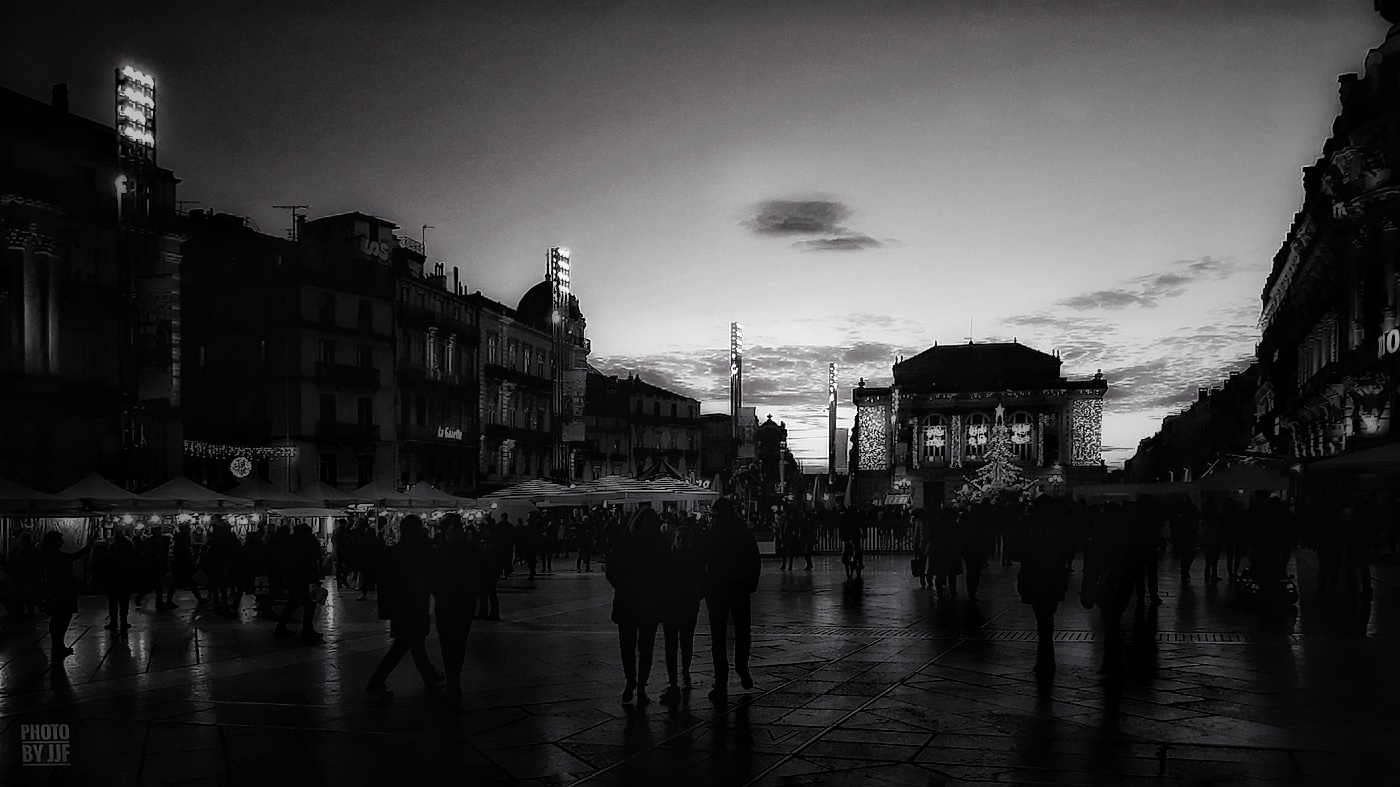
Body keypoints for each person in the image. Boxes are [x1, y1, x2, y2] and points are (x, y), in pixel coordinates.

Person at [367, 515, 442, 696]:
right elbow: (428, 579)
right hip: (415, 607)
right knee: (406, 645)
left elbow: (383, 582)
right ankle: (376, 682)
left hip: (400, 608)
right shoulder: (420, 553)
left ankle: (429, 676)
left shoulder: (393, 552)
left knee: (411, 644)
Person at [606, 508, 669, 707]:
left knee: (627, 645)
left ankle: (630, 680)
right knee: (646, 647)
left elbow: (611, 571)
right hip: (650, 602)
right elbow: (667, 574)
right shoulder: (660, 544)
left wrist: (623, 586)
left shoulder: (624, 541)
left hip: (627, 600)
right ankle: (641, 686)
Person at [702, 497, 761, 701]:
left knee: (718, 638)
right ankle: (741, 667)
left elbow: (702, 562)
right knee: (742, 632)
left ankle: (721, 682)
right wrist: (751, 585)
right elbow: (755, 561)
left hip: (718, 590)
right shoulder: (744, 534)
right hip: (739, 589)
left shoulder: (711, 535)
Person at [1015, 495, 1074, 677]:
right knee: (1041, 616)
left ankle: (1045, 658)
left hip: (1051, 575)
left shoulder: (1058, 526)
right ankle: (1045, 656)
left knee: (1045, 615)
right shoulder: (1029, 525)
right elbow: (1017, 548)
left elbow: (1067, 550)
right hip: (1034, 574)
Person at [432, 513, 485, 703]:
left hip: (453, 604)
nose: (458, 531)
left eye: (459, 527)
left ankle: (453, 682)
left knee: (451, 644)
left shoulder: (440, 552)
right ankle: (454, 681)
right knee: (455, 644)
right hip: (458, 603)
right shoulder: (467, 550)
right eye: (455, 528)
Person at [659, 523, 705, 704]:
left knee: (685, 642)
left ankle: (683, 671)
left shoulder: (676, 556)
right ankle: (675, 679)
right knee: (673, 643)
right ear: (674, 538)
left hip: (684, 604)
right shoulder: (676, 557)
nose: (681, 542)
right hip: (675, 605)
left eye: (684, 539)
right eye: (679, 538)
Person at [39, 527, 95, 662]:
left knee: (57, 619)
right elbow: (73, 556)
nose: (62, 542)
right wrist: (89, 547)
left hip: (55, 590)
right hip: (64, 590)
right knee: (62, 619)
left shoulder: (48, 555)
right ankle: (58, 645)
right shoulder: (57, 556)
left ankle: (57, 645)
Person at [273, 523, 324, 643]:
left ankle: (282, 627)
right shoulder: (304, 542)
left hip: (294, 578)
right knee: (310, 604)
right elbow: (308, 561)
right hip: (304, 579)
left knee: (293, 604)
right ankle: (307, 631)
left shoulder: (291, 541)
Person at [94, 532, 138, 630]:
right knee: (124, 603)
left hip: (112, 581)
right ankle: (124, 621)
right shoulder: (129, 553)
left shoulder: (111, 554)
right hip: (125, 581)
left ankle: (114, 622)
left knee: (113, 603)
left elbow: (103, 567)